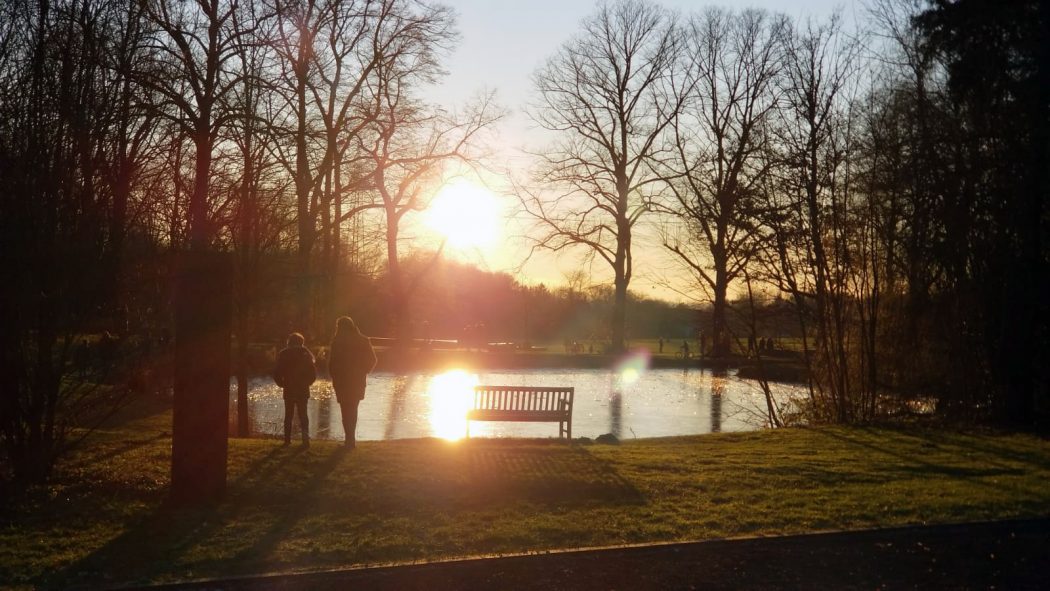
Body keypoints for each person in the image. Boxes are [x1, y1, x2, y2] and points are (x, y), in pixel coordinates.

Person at [328, 316, 377, 449]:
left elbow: (332, 363)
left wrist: (334, 376)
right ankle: (351, 440)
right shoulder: (363, 340)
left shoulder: (337, 341)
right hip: (357, 380)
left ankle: (348, 439)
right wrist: (363, 371)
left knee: (345, 409)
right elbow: (373, 359)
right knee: (353, 409)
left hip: (342, 381)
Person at [274, 332, 316, 447]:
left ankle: (287, 440)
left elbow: (277, 372)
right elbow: (313, 373)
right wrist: (307, 383)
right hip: (303, 389)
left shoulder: (284, 353)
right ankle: (305, 439)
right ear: (301, 342)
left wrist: (282, 384)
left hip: (289, 388)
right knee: (303, 415)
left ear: (290, 341)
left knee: (288, 415)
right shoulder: (306, 353)